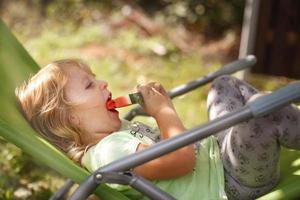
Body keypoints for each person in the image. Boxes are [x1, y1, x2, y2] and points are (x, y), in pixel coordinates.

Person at [15, 59, 300, 200]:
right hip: (230, 184)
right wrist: (165, 111)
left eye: (95, 78)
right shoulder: (109, 153)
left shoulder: (115, 130)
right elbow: (181, 160)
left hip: (220, 155)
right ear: (71, 121)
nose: (102, 83)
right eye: (89, 85)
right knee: (262, 114)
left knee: (224, 85)